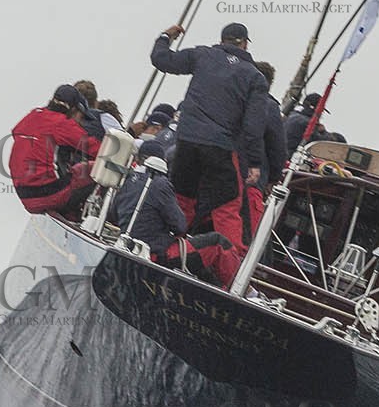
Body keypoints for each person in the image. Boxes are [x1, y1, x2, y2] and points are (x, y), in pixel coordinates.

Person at [148, 21, 267, 254]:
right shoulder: (255, 78)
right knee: (227, 207)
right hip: (221, 147)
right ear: (245, 44)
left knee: (182, 199)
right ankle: (230, 271)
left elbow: (161, 60)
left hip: (187, 142)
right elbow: (254, 126)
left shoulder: (202, 56)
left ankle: (162, 253)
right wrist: (254, 162)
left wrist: (164, 36)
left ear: (222, 40)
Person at [109, 145, 240, 287]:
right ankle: (239, 290)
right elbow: (180, 226)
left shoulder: (127, 181)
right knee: (218, 242)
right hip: (157, 253)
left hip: (128, 246)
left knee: (199, 258)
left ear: (138, 159)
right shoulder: (160, 184)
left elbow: (113, 215)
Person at [8, 84, 102, 219]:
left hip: (25, 196)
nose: (81, 123)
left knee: (71, 170)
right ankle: (83, 218)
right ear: (74, 109)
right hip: (49, 195)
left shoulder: (32, 116)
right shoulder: (61, 123)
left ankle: (69, 215)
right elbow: (99, 151)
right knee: (97, 169)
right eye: (81, 117)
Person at [248, 62, 288, 191]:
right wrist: (273, 178)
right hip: (251, 177)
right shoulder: (269, 107)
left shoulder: (233, 96)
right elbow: (277, 147)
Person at [284, 92, 323, 157]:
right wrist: (323, 132)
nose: (321, 114)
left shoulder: (291, 114)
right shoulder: (308, 123)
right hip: (288, 158)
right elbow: (318, 144)